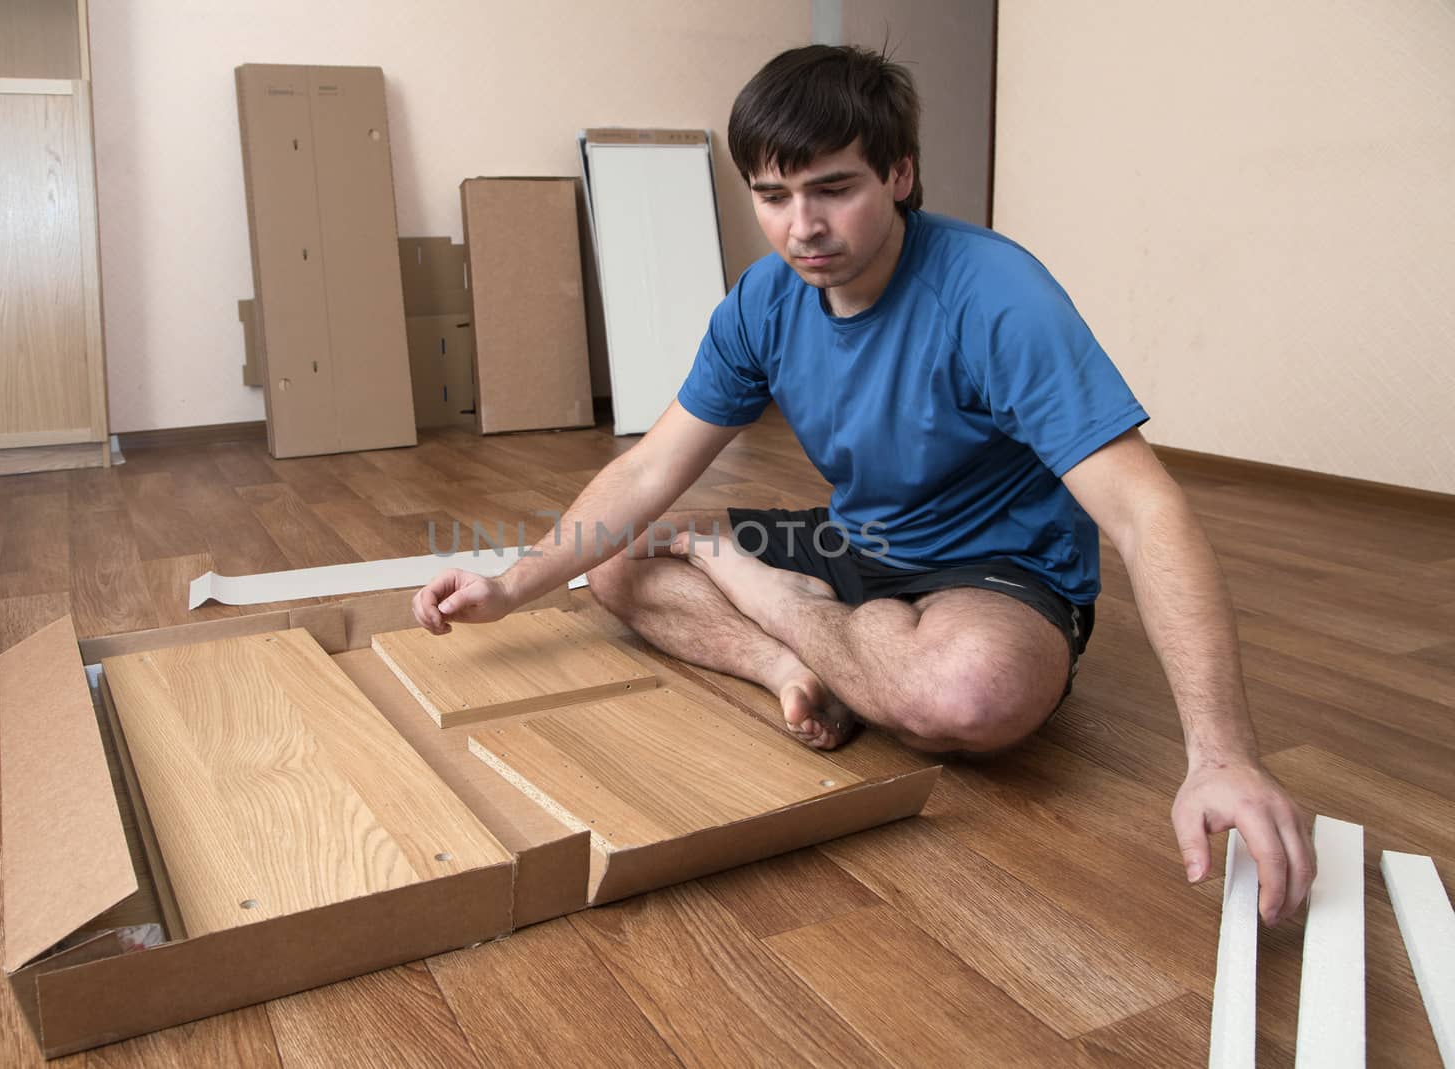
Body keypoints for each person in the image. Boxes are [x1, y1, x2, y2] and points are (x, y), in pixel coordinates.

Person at [413, 44, 1315, 923]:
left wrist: (1223, 753)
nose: (801, 226)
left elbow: (1148, 511)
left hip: (995, 567)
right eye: (773, 196)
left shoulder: (997, 297)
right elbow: (650, 464)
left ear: (900, 175)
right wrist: (512, 583)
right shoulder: (763, 300)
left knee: (966, 698)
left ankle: (768, 596)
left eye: (833, 189)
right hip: (856, 543)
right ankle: (789, 662)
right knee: (611, 567)